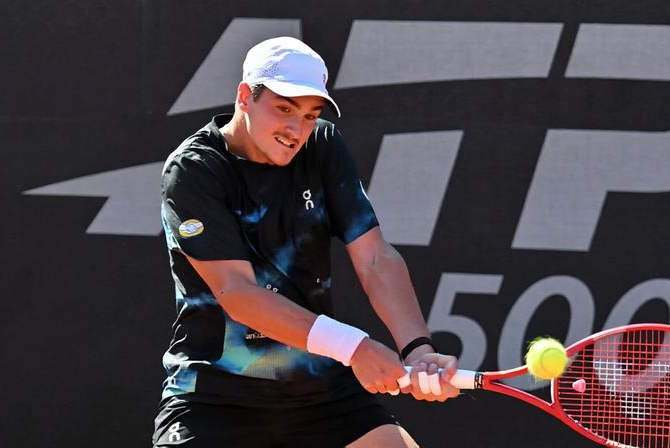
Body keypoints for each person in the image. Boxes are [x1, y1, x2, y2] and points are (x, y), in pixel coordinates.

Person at [152, 36, 459, 448]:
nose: (296, 130)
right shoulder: (194, 169)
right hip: (215, 401)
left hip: (322, 394)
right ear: (245, 97)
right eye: (284, 109)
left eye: (310, 115)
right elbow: (238, 293)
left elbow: (375, 258)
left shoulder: (323, 147)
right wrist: (356, 348)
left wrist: (417, 350)